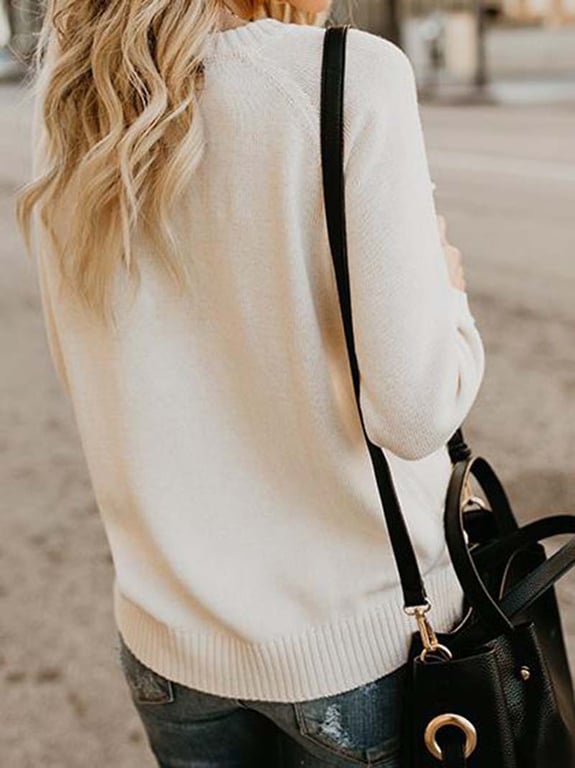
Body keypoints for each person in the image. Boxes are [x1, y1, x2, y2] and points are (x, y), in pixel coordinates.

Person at [16, 0, 485, 763]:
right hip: (354, 645)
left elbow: (93, 375)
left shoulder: (79, 98)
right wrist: (450, 294)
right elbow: (413, 412)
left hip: (168, 642)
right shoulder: (347, 76)